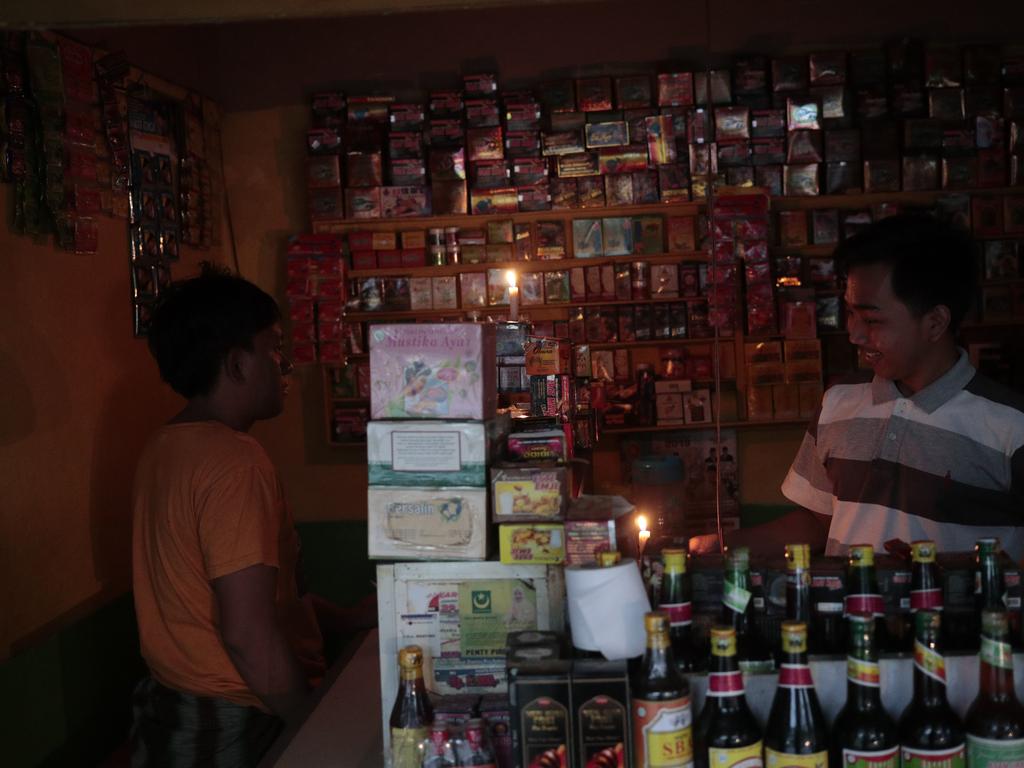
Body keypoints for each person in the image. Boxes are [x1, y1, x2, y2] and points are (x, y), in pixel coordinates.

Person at [130, 264, 367, 767]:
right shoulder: (235, 461)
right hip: (234, 720)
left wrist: (346, 619)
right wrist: (314, 727)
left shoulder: (163, 446)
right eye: (275, 348)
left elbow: (222, 600)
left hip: (179, 707)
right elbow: (246, 633)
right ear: (237, 364)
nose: (286, 366)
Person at [693, 213, 1024, 558]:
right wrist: (721, 545)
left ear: (935, 322)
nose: (855, 334)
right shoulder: (838, 402)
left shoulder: (1010, 427)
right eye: (850, 313)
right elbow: (820, 522)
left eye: (872, 320)